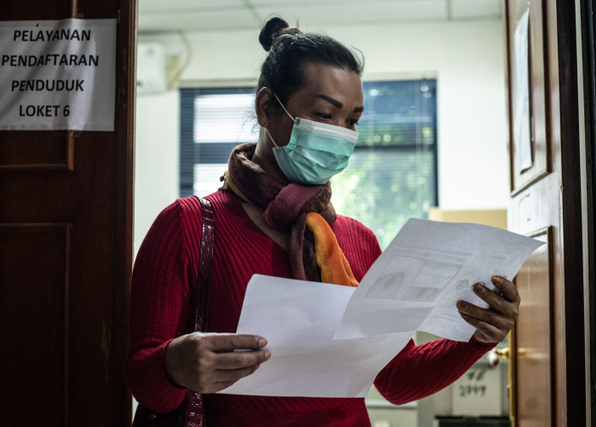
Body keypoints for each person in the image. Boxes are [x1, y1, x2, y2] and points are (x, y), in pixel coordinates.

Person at [124, 17, 520, 426]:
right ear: (266, 108)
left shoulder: (357, 241)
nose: (340, 134)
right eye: (324, 114)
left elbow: (396, 380)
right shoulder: (188, 225)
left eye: (351, 121)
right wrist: (173, 366)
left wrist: (478, 338)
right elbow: (140, 375)